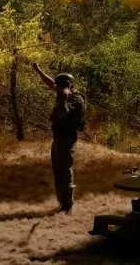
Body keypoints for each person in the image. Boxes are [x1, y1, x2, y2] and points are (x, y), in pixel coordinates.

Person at [31, 62, 86, 213]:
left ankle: (68, 204)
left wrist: (63, 97)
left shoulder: (75, 99)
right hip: (58, 138)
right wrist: (38, 70)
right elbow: (50, 84)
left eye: (60, 86)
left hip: (67, 139)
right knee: (57, 170)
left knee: (65, 170)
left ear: (66, 85)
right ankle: (62, 202)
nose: (57, 88)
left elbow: (63, 113)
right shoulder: (63, 93)